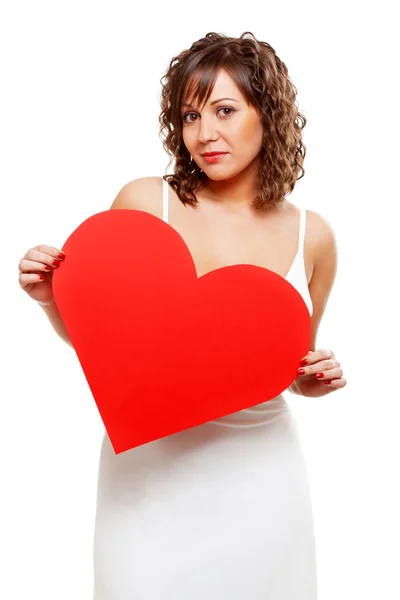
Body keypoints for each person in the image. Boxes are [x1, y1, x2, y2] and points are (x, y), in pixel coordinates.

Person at [18, 31, 346, 599]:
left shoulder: (311, 234)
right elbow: (105, 348)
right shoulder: (147, 203)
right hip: (147, 476)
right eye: (190, 115)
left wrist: (316, 378)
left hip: (261, 480)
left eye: (224, 110)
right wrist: (53, 299)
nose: (205, 133)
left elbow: (290, 367)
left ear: (267, 114)